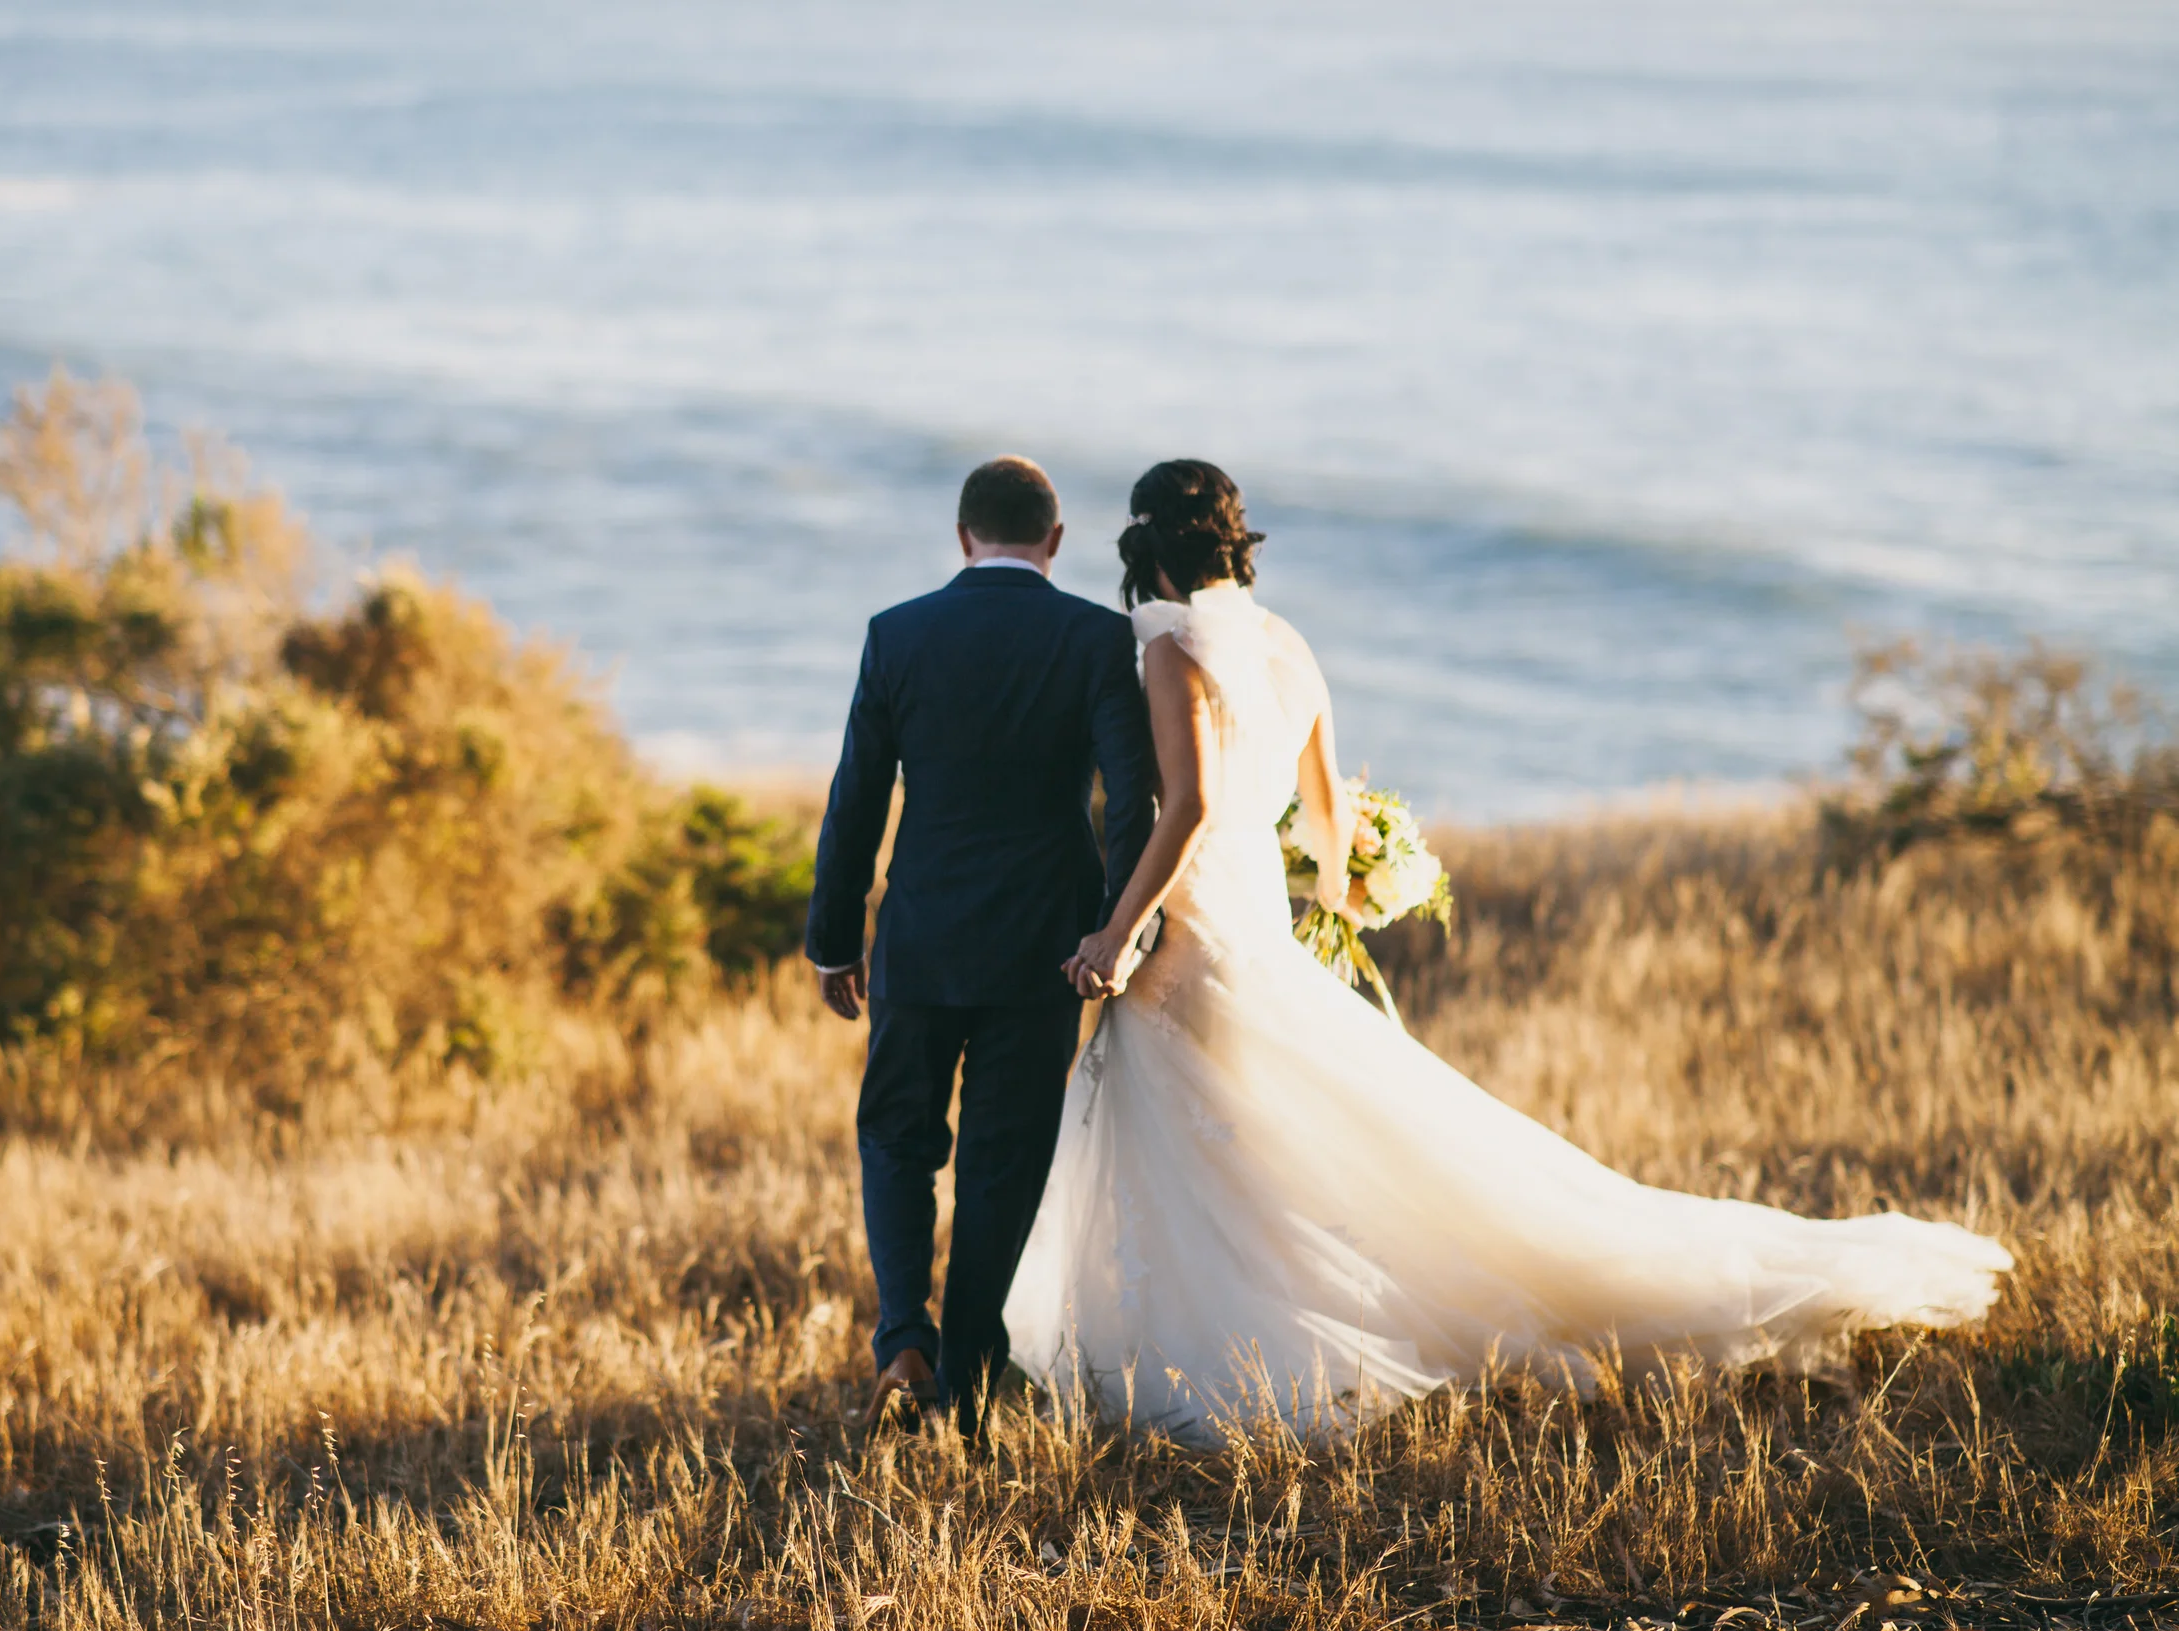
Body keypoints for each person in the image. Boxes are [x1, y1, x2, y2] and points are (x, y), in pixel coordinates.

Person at [1006, 459, 2012, 1445]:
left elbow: (1184, 808)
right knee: (1263, 1144)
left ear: (1145, 544)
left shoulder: (1169, 649)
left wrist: (1112, 928)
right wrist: (1341, 887)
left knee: (1212, 1147)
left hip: (1194, 930)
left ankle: (1236, 1354)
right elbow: (1321, 819)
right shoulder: (1284, 646)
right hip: (1255, 920)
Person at [807, 455, 1156, 1438]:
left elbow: (856, 801)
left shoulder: (898, 633)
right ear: (1053, 541)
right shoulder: (1095, 636)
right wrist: (1117, 925)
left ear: (963, 537)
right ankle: (965, 1375)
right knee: (1002, 1161)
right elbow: (1132, 799)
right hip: (1043, 946)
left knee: (895, 1138)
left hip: (918, 936)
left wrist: (835, 938)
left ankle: (900, 1341)